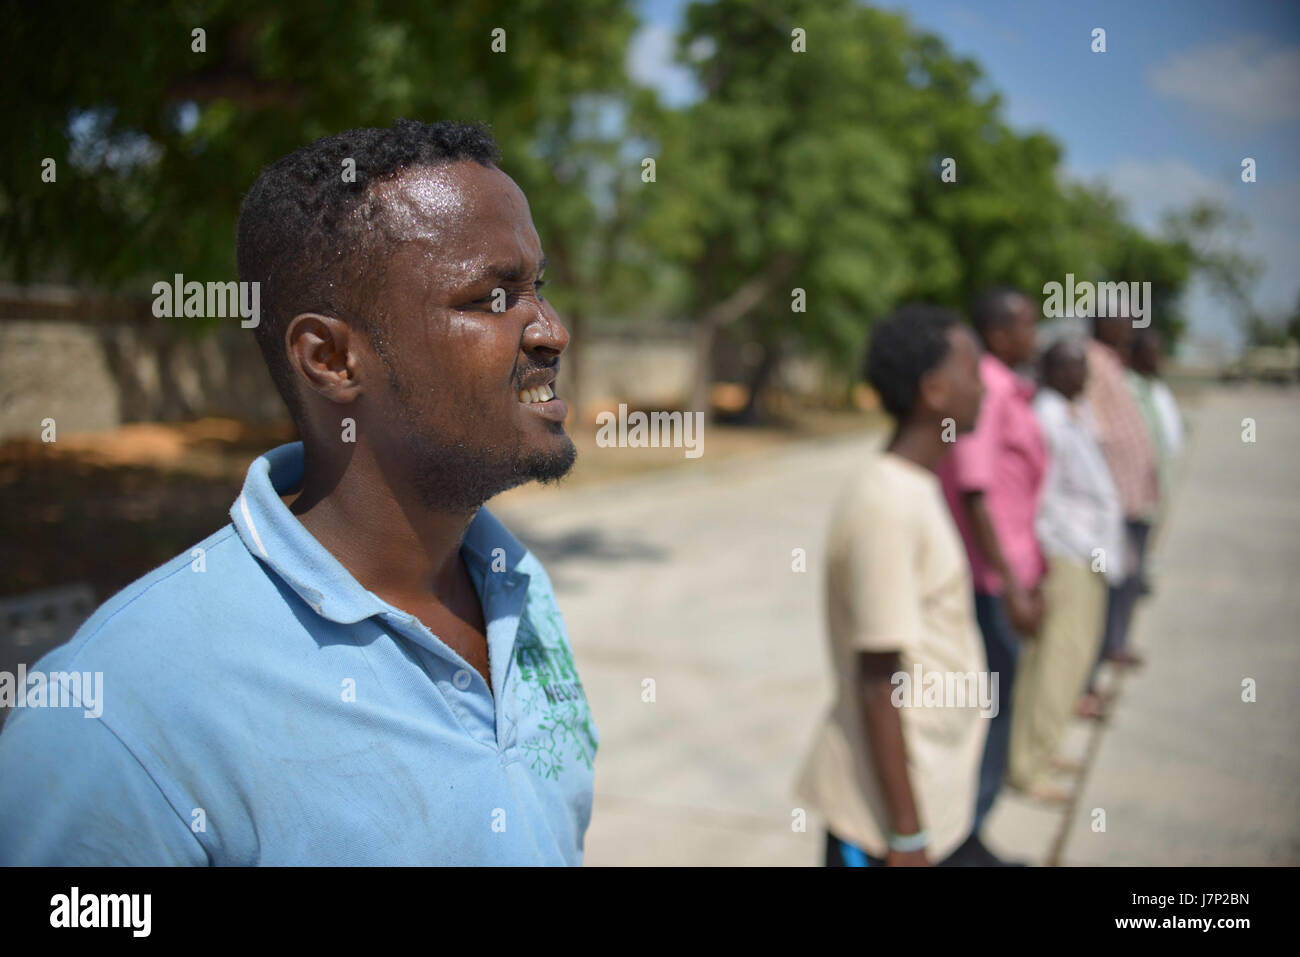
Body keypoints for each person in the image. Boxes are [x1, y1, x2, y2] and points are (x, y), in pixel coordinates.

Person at [0, 120, 598, 865]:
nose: (550, 331)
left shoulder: (517, 590)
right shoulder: (118, 717)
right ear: (332, 359)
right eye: (493, 296)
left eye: (536, 286)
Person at [796, 304, 1000, 867]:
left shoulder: (915, 486)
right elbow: (877, 679)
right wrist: (906, 836)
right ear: (935, 391)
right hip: (883, 820)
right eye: (973, 372)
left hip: (927, 788)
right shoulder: (886, 501)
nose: (985, 387)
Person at [937, 288, 1048, 838]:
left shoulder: (1012, 390)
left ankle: (975, 826)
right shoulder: (984, 390)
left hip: (1010, 575)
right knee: (989, 713)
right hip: (989, 583)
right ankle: (967, 833)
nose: (1036, 336)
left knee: (1000, 708)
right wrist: (1012, 587)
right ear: (1000, 333)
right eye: (1028, 325)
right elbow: (977, 493)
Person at [1007, 338, 1124, 801]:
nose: (1083, 373)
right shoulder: (1048, 418)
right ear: (1051, 370)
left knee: (1072, 660)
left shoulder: (1074, 412)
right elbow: (1043, 497)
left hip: (1089, 552)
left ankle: (1047, 747)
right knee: (1055, 663)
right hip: (1066, 553)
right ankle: (1028, 766)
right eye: (1072, 365)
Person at [1083, 309, 1160, 693]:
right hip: (1112, 500)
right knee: (1106, 590)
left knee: (1125, 583)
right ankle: (1090, 675)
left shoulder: (1113, 362)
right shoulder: (1093, 362)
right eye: (1122, 320)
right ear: (1103, 323)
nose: (1130, 327)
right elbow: (1092, 427)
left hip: (1131, 497)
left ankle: (1111, 648)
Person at [1127, 329, 1183, 594]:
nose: (1156, 359)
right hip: (1138, 480)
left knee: (1155, 528)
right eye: (1151, 353)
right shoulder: (1128, 388)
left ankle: (1144, 572)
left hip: (1160, 472)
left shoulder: (1157, 389)